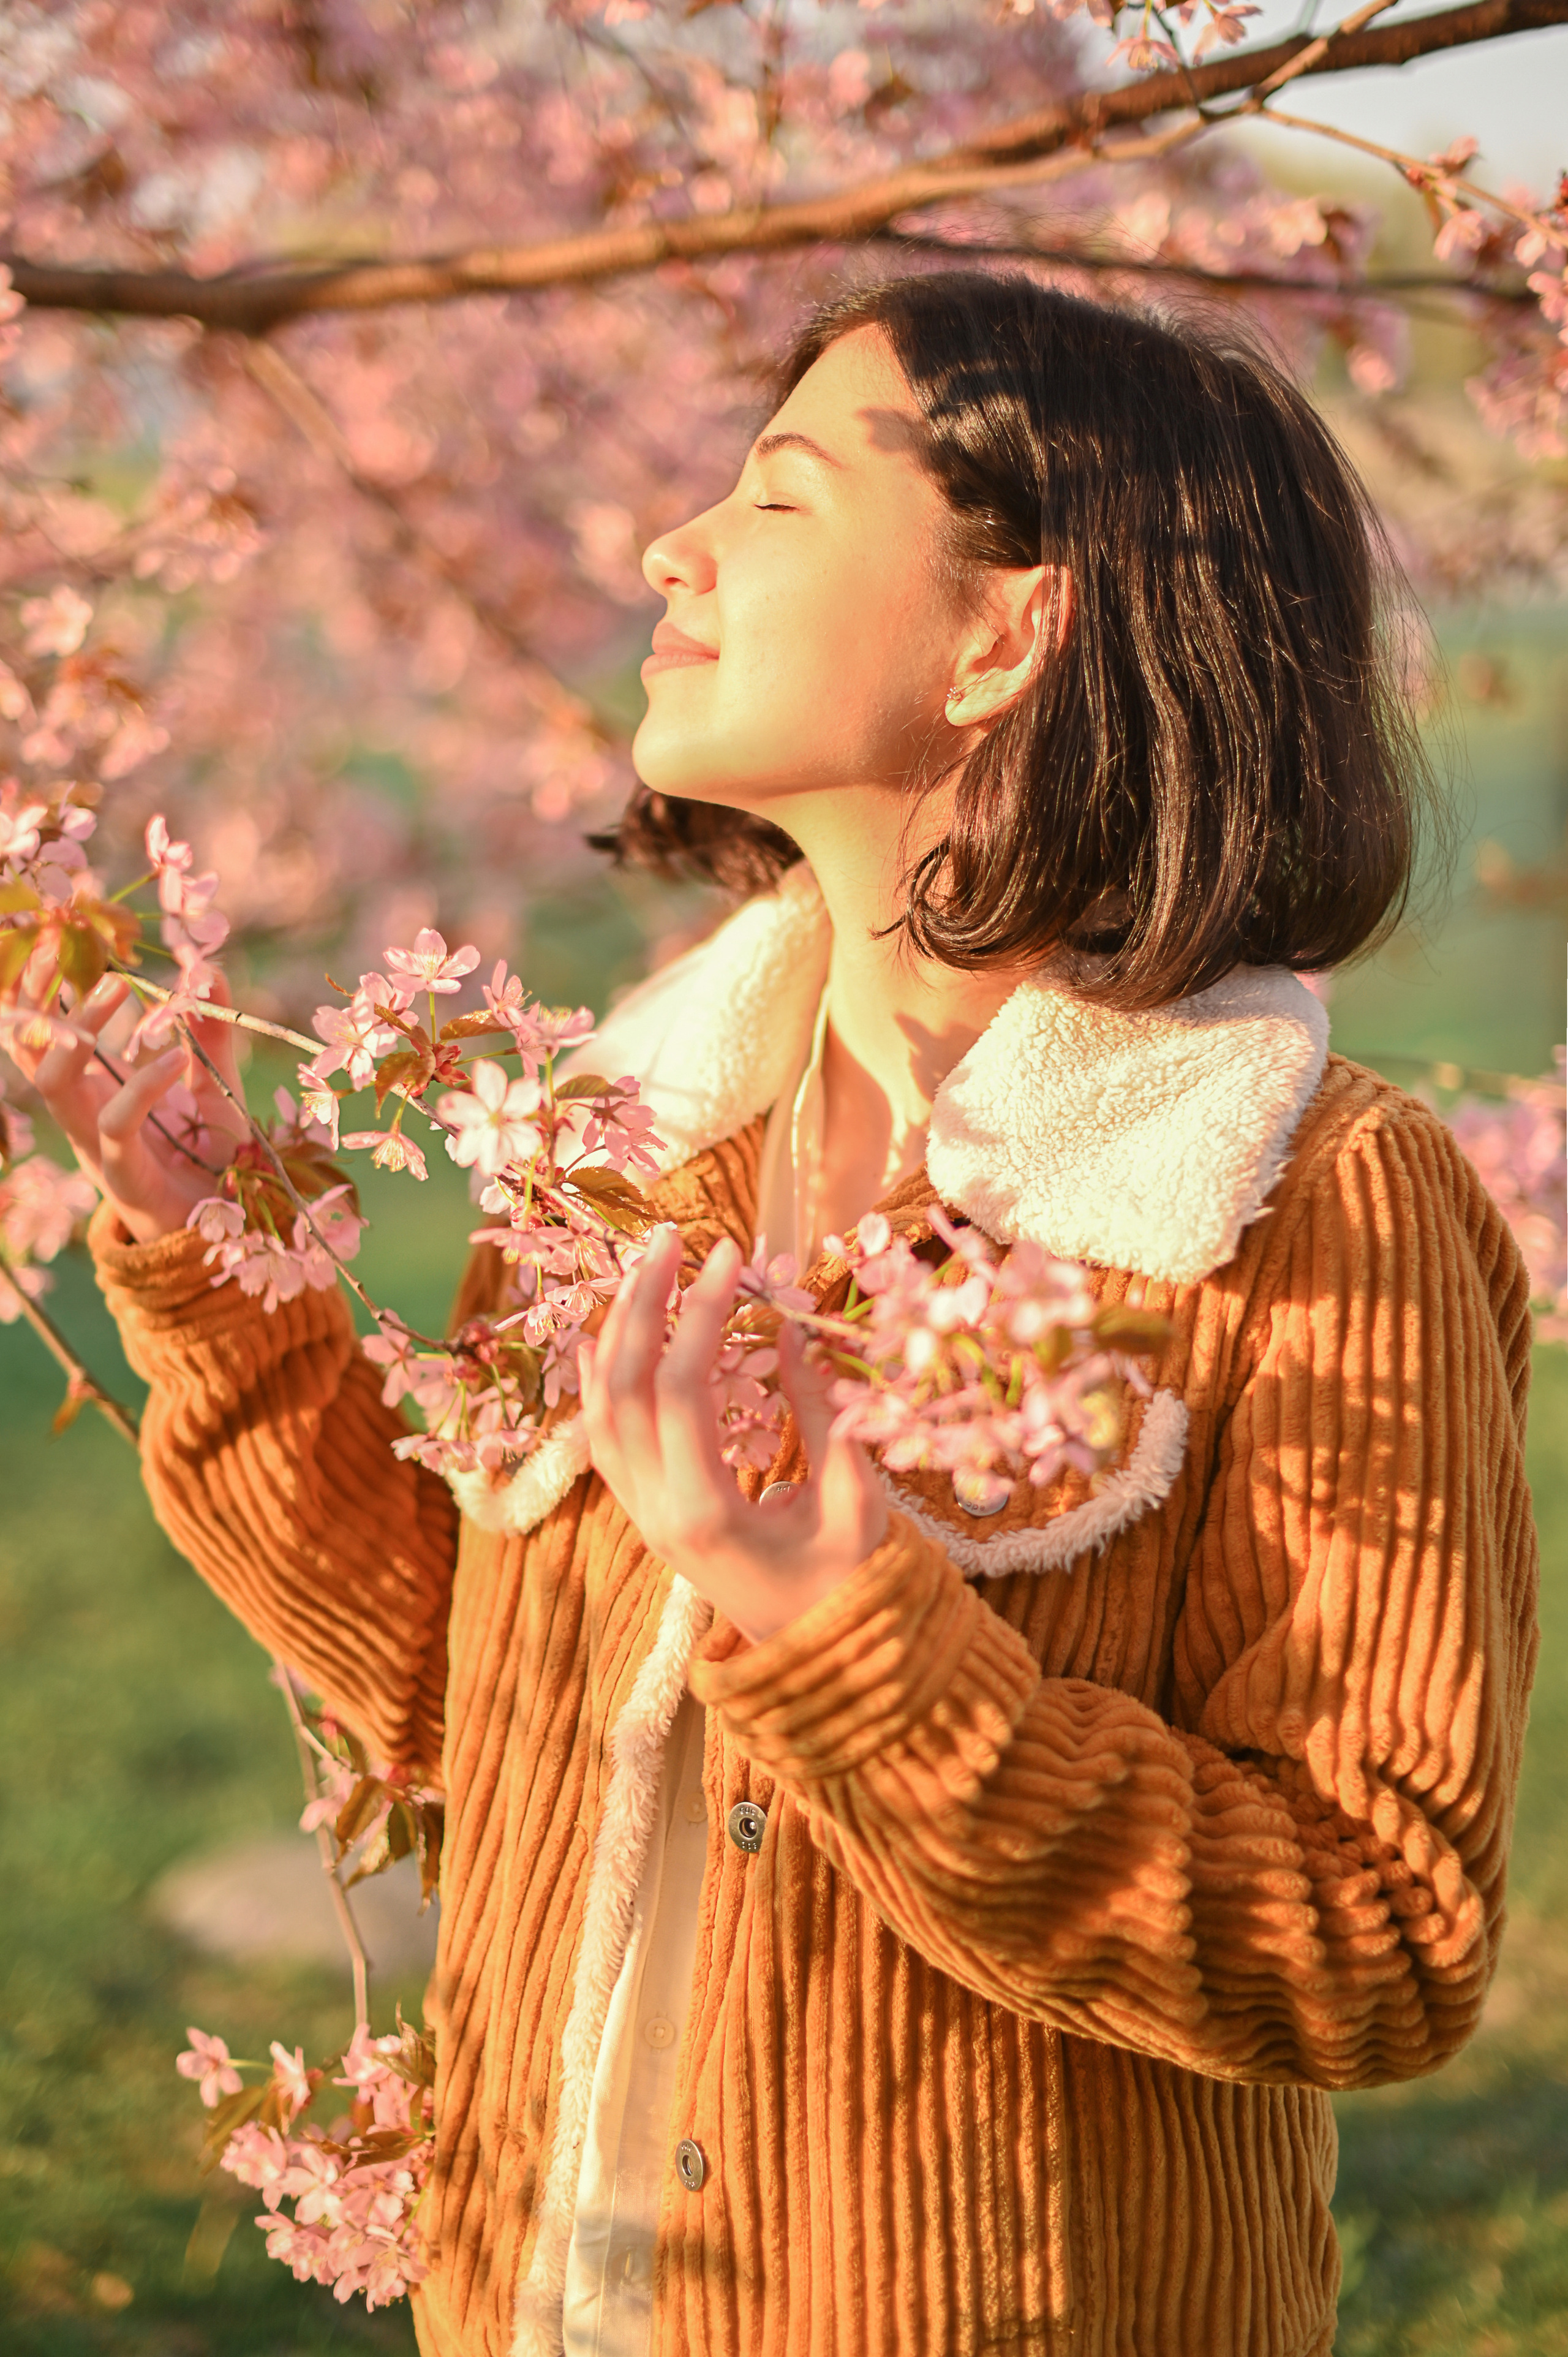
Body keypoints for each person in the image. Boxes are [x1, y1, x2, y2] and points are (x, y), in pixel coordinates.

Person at [18, 274, 1537, 2357]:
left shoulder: (1309, 1203)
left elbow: (1370, 1943)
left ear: (1008, 631)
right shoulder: (626, 1141)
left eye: (781, 493)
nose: (672, 546)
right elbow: (473, 1712)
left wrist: (853, 1651)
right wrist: (215, 1277)